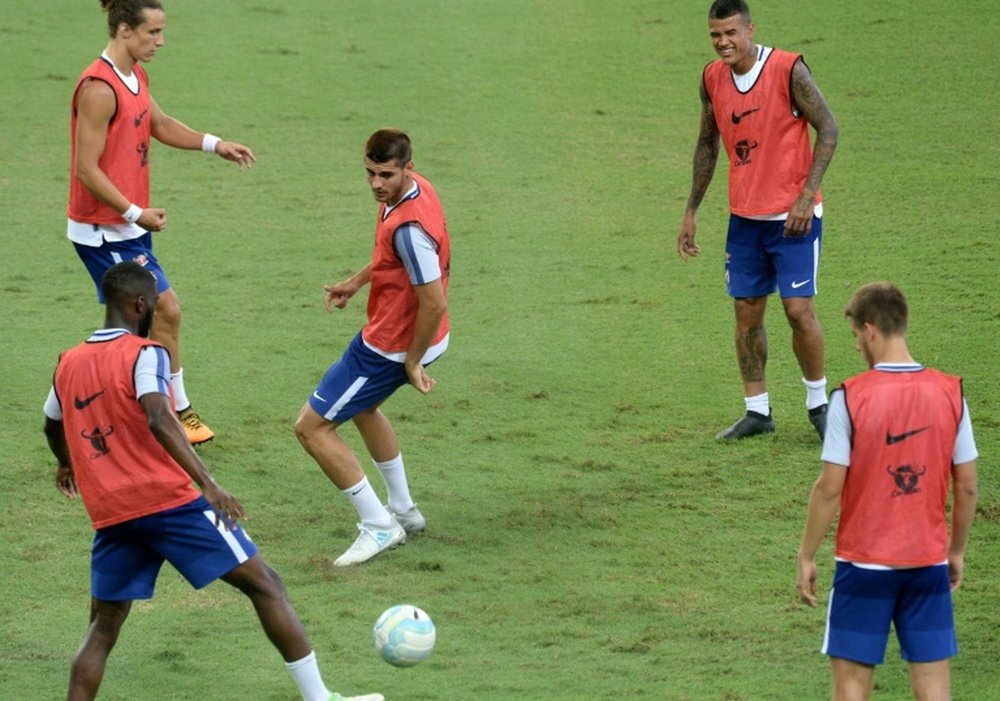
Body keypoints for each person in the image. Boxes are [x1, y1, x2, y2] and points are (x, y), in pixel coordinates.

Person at [42, 262, 381, 701]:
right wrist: (208, 482)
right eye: (152, 307)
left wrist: (65, 463)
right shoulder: (146, 354)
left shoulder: (67, 362)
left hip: (111, 514)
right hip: (169, 504)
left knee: (103, 628)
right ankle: (320, 699)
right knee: (266, 585)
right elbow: (159, 414)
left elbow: (52, 422)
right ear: (140, 304)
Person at [67, 0, 258, 445]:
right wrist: (135, 212)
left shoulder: (134, 75)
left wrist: (216, 145)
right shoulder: (98, 88)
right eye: (152, 32)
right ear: (124, 30)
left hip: (127, 227)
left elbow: (159, 122)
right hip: (103, 231)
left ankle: (108, 404)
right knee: (163, 309)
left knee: (131, 324)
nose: (160, 41)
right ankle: (174, 409)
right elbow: (86, 170)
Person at [796, 282, 978, 700]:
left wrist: (806, 554)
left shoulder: (849, 398)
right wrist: (956, 551)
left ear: (871, 329)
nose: (857, 346)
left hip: (863, 566)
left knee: (852, 687)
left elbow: (828, 490)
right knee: (934, 688)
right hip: (926, 561)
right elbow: (966, 487)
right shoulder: (952, 394)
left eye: (856, 336)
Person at [677, 0, 839, 440]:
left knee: (798, 310)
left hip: (794, 219)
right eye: (715, 35)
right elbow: (707, 145)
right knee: (746, 312)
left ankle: (819, 406)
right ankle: (758, 412)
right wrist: (691, 209)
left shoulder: (788, 69)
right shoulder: (712, 78)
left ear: (750, 29)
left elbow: (828, 127)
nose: (723, 42)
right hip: (745, 219)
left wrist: (806, 198)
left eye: (731, 32)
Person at [295, 128, 450, 567]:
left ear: (408, 168)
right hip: (405, 334)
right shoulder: (414, 194)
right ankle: (403, 509)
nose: (376, 184)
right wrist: (357, 281)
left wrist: (413, 361)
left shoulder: (408, 229)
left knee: (311, 428)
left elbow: (433, 300)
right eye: (369, 173)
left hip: (392, 345)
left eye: (385, 174)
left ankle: (379, 526)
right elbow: (392, 263)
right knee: (364, 407)